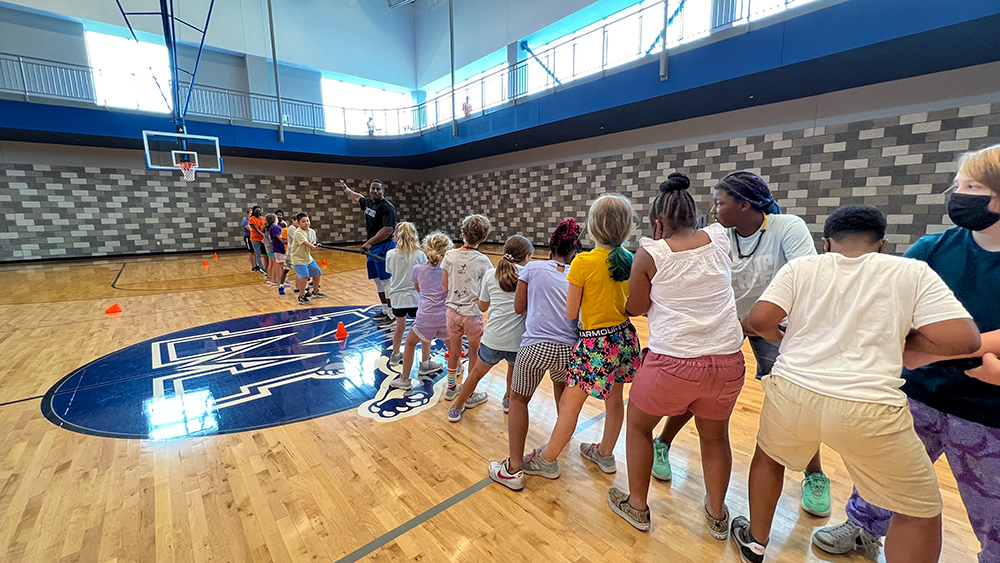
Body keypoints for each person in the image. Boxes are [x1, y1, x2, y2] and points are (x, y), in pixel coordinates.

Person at [731, 205, 981, 563]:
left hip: (793, 391)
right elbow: (964, 339)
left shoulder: (803, 266)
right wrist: (907, 346)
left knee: (769, 460)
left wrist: (783, 338)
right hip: (868, 404)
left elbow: (758, 319)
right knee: (918, 509)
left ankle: (755, 544)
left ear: (826, 243)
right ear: (882, 245)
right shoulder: (910, 270)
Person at [812, 145, 1000, 563]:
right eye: (957, 186)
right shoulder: (934, 249)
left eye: (972, 186)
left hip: (988, 411)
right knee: (883, 472)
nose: (958, 194)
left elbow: (937, 341)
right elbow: (885, 306)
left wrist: (936, 350)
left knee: (993, 504)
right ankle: (863, 528)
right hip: (916, 393)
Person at [652, 170, 831, 517]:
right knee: (704, 389)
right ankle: (663, 443)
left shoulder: (786, 227)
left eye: (720, 202)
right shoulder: (718, 235)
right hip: (725, 325)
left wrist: (783, 324)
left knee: (795, 398)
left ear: (744, 204)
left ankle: (815, 474)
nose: (714, 209)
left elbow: (810, 277)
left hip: (772, 326)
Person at [606, 173, 746, 536]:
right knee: (715, 438)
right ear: (694, 215)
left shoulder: (650, 252)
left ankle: (637, 506)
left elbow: (636, 307)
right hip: (728, 361)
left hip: (673, 362)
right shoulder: (718, 236)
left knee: (638, 427)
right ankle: (717, 516)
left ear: (657, 223)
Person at [523, 195, 642, 481]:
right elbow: (632, 306)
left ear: (591, 229)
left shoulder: (583, 262)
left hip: (595, 344)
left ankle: (548, 460)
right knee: (615, 401)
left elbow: (571, 311)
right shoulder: (630, 259)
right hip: (624, 338)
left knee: (570, 403)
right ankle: (605, 453)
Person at [488, 219, 581, 491]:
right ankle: (550, 457)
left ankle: (514, 469)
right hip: (568, 348)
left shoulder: (532, 268)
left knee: (518, 400)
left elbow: (519, 308)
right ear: (575, 249)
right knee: (564, 401)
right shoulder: (578, 272)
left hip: (535, 346)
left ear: (550, 246)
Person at [448, 235, 534, 422]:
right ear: (527, 257)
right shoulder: (529, 276)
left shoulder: (490, 274)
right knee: (512, 371)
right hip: (517, 342)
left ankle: (456, 408)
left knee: (476, 373)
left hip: (492, 339)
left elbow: (482, 307)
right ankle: (508, 400)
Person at [440, 214, 493, 402]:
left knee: (454, 353)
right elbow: (487, 290)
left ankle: (451, 387)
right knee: (473, 356)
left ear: (462, 233)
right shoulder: (484, 261)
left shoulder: (449, 255)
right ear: (484, 237)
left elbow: (445, 286)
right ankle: (470, 394)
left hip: (452, 312)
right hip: (472, 314)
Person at [390, 232, 453, 390]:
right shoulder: (449, 270)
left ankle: (404, 380)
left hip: (425, 318)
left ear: (426, 248)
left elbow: (419, 290)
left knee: (410, 344)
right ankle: (455, 375)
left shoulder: (418, 269)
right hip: (445, 317)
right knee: (454, 349)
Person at [339, 179, 397, 329]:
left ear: (383, 191)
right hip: (373, 248)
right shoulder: (368, 203)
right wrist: (346, 189)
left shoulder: (387, 208)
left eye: (379, 189)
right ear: (370, 190)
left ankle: (393, 315)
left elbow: (388, 230)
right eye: (373, 189)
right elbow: (356, 197)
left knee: (386, 282)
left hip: (384, 247)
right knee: (378, 281)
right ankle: (385, 311)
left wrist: (370, 242)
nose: (376, 191)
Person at [384, 222, 431, 368]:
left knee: (400, 327)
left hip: (397, 298)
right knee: (424, 330)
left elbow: (389, 271)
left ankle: (395, 354)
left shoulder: (390, 254)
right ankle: (425, 361)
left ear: (396, 238)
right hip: (415, 298)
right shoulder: (420, 255)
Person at [289, 214, 325, 306]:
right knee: (304, 277)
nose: (306, 223)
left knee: (317, 272)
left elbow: (312, 241)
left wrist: (315, 244)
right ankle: (301, 296)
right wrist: (313, 247)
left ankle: (315, 291)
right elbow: (305, 242)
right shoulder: (298, 232)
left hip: (307, 257)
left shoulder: (312, 231)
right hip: (298, 258)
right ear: (298, 223)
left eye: (307, 221)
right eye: (303, 221)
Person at [268, 213, 286, 288]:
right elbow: (281, 238)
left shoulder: (273, 227)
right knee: (279, 265)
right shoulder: (275, 227)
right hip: (279, 248)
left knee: (280, 265)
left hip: (278, 247)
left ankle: (281, 280)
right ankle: (279, 280)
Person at [248, 205, 267, 275]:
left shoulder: (263, 218)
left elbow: (265, 226)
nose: (258, 212)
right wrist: (263, 235)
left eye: (259, 210)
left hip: (263, 239)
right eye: (256, 211)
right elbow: (256, 229)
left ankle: (266, 268)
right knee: (258, 253)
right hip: (255, 238)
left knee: (265, 254)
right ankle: (262, 268)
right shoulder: (252, 219)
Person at [263, 213, 278, 285]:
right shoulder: (271, 229)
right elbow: (272, 239)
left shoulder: (267, 229)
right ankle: (274, 279)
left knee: (271, 263)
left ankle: (270, 278)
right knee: (274, 263)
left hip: (268, 249)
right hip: (272, 248)